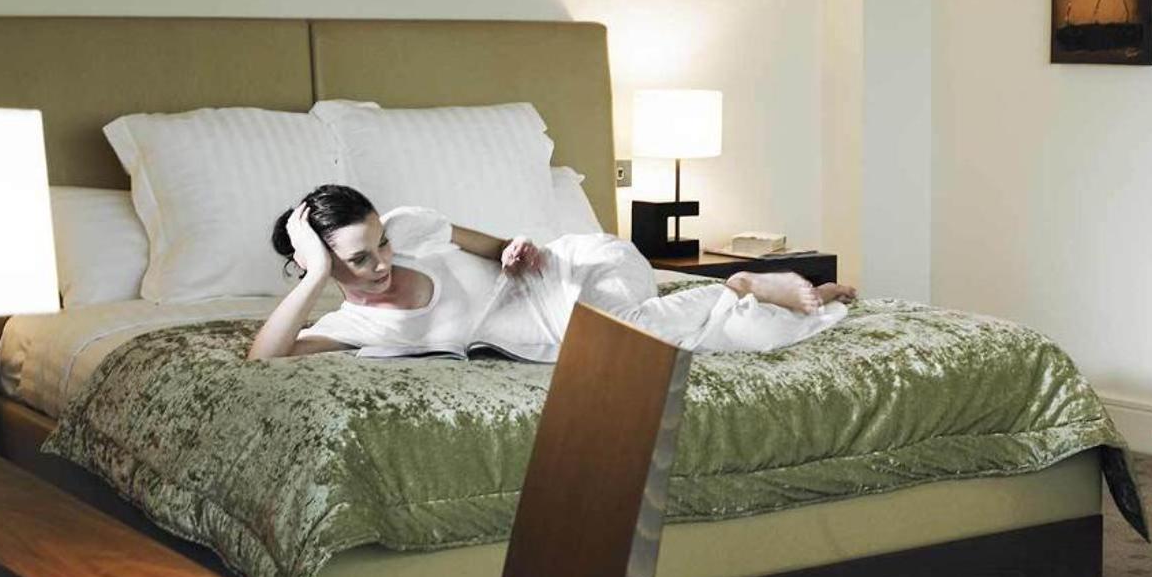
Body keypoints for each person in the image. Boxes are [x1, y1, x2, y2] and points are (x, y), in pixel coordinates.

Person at [248, 183, 855, 361]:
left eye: (380, 243)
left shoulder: (411, 228)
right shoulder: (354, 325)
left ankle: (736, 285)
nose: (382, 262)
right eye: (359, 259)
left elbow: (499, 247)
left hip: (569, 273)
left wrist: (515, 252)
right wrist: (315, 273)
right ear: (323, 262)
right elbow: (263, 359)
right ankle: (757, 298)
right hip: (558, 331)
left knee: (626, 336)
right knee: (701, 341)